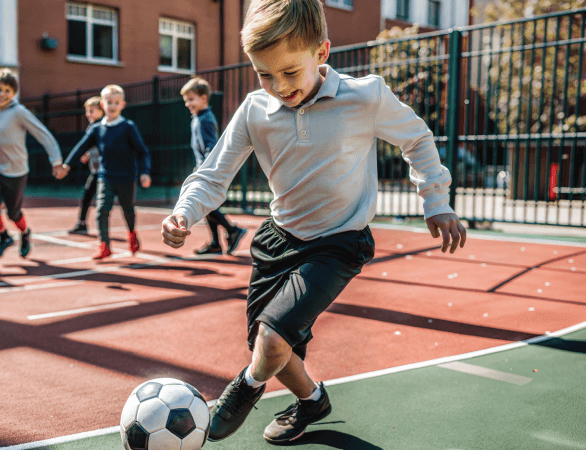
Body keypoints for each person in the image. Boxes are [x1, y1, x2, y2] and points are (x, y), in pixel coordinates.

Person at [161, 0, 467, 444]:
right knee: (271, 347)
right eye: (265, 75)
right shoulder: (253, 111)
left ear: (321, 53)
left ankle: (243, 389)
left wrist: (436, 199)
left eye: (289, 72)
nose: (278, 86)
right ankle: (312, 401)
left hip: (339, 242)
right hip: (277, 239)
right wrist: (184, 213)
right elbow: (213, 174)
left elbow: (417, 139)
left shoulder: (365, 97)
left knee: (270, 341)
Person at [0, 68, 65, 260]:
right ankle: (4, 237)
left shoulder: (19, 113)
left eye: (8, 91)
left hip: (16, 172)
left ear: (14, 93)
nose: (2, 94)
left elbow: (43, 135)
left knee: (13, 214)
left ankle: (25, 234)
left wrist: (56, 161)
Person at [59, 85, 152, 260]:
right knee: (101, 210)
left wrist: (144, 172)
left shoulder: (128, 127)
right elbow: (81, 147)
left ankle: (132, 233)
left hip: (126, 177)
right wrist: (67, 165)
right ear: (102, 104)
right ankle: (104, 246)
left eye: (116, 102)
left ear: (122, 104)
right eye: (109, 102)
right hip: (105, 176)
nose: (113, 106)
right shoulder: (96, 129)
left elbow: (142, 151)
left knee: (128, 210)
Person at [180, 78, 246, 255]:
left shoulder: (205, 119)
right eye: (186, 100)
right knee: (207, 207)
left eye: (191, 99)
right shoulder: (198, 118)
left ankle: (232, 231)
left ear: (203, 98)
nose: (187, 103)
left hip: (206, 170)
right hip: (202, 167)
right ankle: (217, 242)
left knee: (206, 206)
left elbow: (211, 146)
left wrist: (206, 170)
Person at [69, 96, 105, 234]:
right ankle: (82, 224)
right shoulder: (92, 126)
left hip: (104, 171)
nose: (88, 114)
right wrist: (87, 154)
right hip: (95, 171)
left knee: (102, 202)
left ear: (101, 111)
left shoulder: (102, 126)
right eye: (87, 111)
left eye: (91, 111)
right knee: (87, 197)